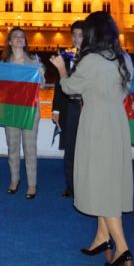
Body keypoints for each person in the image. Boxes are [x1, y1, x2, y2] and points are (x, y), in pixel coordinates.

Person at [50, 11, 134, 266]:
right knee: (107, 179)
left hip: (96, 123)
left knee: (100, 181)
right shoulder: (125, 59)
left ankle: (122, 247)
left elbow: (69, 88)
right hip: (117, 122)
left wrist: (61, 68)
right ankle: (101, 236)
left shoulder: (90, 60)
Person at [0, 28, 44, 199]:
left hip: (30, 111)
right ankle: (14, 179)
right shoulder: (3, 64)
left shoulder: (34, 62)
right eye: (15, 36)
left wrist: (42, 74)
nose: (18, 39)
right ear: (9, 42)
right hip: (11, 110)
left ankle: (32, 184)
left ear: (25, 41)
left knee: (30, 148)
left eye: (21, 36)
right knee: (13, 147)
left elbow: (42, 85)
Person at [51, 21, 85, 198]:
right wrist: (56, 109)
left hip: (88, 108)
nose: (77, 39)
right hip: (69, 108)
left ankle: (86, 185)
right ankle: (70, 185)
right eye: (74, 35)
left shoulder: (92, 57)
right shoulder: (65, 56)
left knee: (87, 148)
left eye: (80, 35)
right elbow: (58, 84)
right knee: (70, 148)